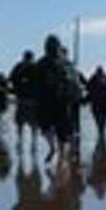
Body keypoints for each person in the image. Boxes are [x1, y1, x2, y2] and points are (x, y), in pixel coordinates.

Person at [34, 34, 73, 164]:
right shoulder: (65, 63)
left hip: (48, 101)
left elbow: (35, 83)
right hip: (61, 101)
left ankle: (54, 148)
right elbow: (72, 82)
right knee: (61, 131)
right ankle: (60, 154)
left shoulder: (41, 63)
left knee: (47, 128)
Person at [9, 50, 39, 151]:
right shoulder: (36, 67)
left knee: (20, 124)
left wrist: (17, 87)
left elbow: (11, 78)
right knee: (33, 124)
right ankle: (33, 144)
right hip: (32, 99)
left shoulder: (19, 66)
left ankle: (20, 142)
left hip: (22, 98)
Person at [86, 65, 106, 141]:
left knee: (98, 120)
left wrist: (85, 100)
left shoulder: (93, 78)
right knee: (104, 119)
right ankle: (102, 132)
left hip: (95, 104)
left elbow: (88, 89)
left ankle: (100, 131)